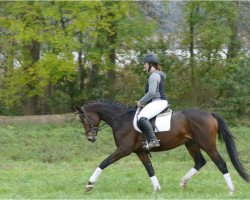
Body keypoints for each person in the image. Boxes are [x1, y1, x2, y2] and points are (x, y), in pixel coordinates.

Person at [137, 52, 168, 149]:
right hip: (158, 102)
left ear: (151, 64)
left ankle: (153, 140)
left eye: (145, 64)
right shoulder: (158, 75)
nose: (144, 66)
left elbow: (151, 93)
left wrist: (140, 102)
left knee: (142, 118)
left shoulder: (154, 76)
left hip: (158, 102)